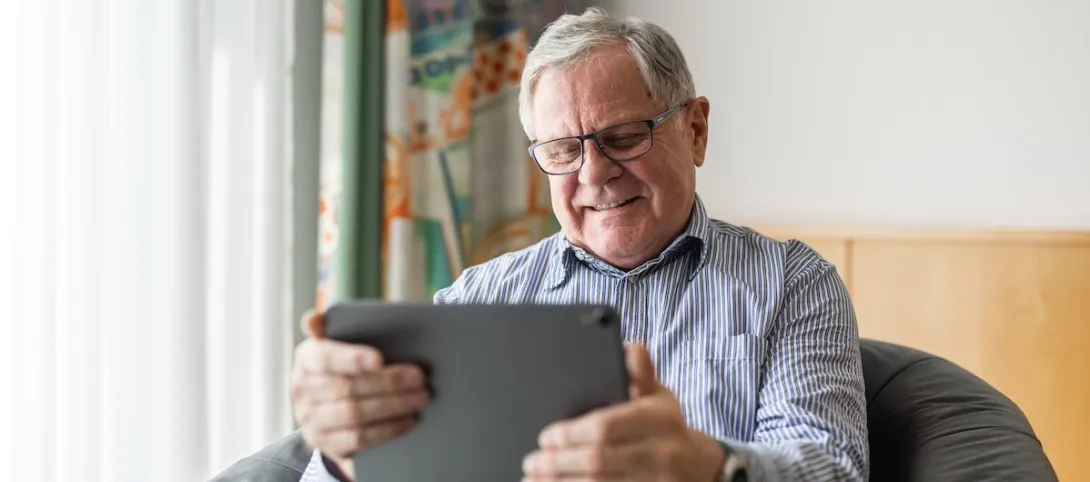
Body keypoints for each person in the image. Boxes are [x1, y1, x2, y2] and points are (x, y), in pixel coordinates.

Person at [288, 7, 868, 482]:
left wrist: (714, 469)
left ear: (695, 130)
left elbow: (833, 468)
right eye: (564, 151)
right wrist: (347, 449)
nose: (594, 174)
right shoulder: (479, 299)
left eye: (622, 137)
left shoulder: (792, 281)